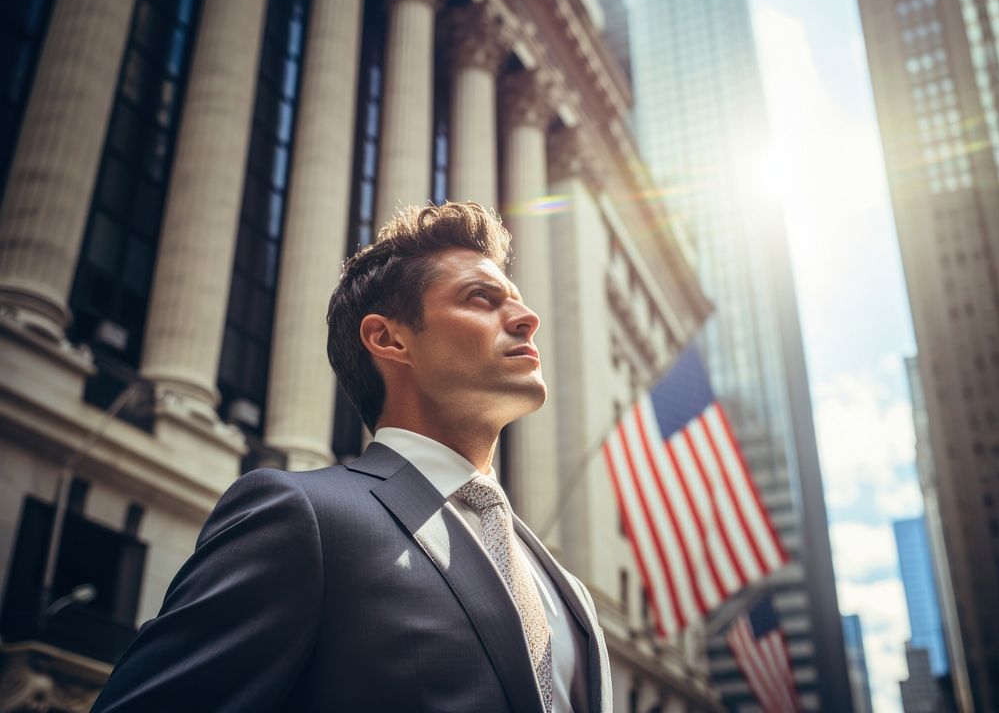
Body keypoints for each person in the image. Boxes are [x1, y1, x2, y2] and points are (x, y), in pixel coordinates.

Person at [91, 201, 611, 712]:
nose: (527, 318)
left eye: (516, 299)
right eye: (481, 298)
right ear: (388, 338)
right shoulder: (302, 516)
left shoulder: (568, 594)